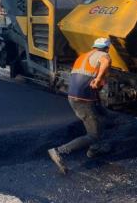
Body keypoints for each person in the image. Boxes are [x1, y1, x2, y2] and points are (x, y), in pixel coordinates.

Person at [48, 37, 112, 174]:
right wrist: (99, 79)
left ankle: (95, 149)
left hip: (74, 97)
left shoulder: (83, 56)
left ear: (94, 46)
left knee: (101, 117)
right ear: (107, 48)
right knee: (93, 134)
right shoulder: (104, 55)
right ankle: (60, 151)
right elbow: (106, 61)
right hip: (83, 100)